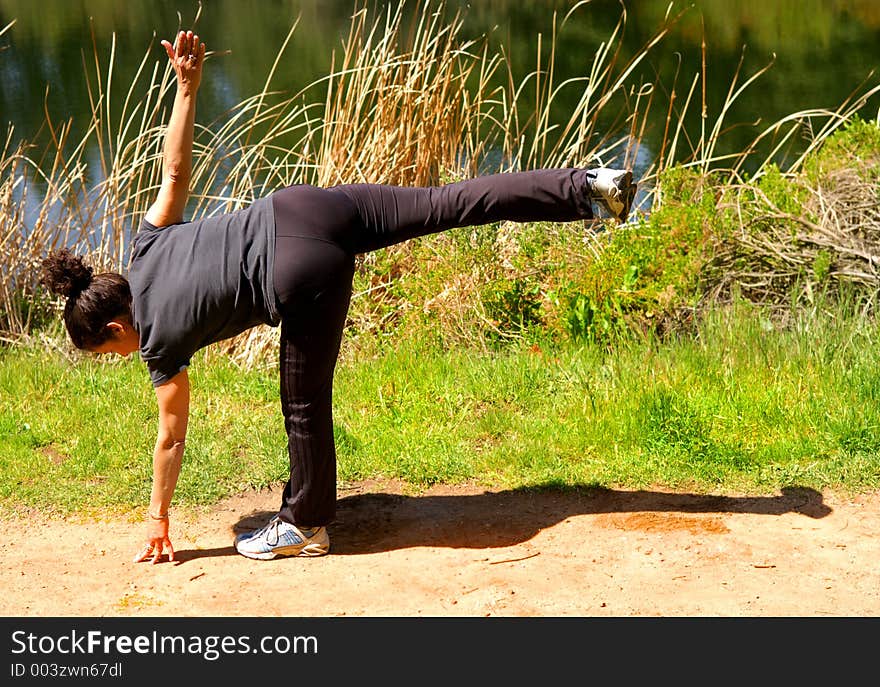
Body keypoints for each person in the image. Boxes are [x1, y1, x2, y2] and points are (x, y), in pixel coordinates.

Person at [39, 31, 637, 563]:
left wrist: (158, 519)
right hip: (304, 205)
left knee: (303, 405)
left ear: (115, 330)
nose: (119, 359)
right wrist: (187, 87)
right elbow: (174, 174)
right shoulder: (145, 246)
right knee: (447, 201)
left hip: (299, 267)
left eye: (107, 353)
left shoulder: (159, 347)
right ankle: (586, 188)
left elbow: (170, 437)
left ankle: (304, 524)